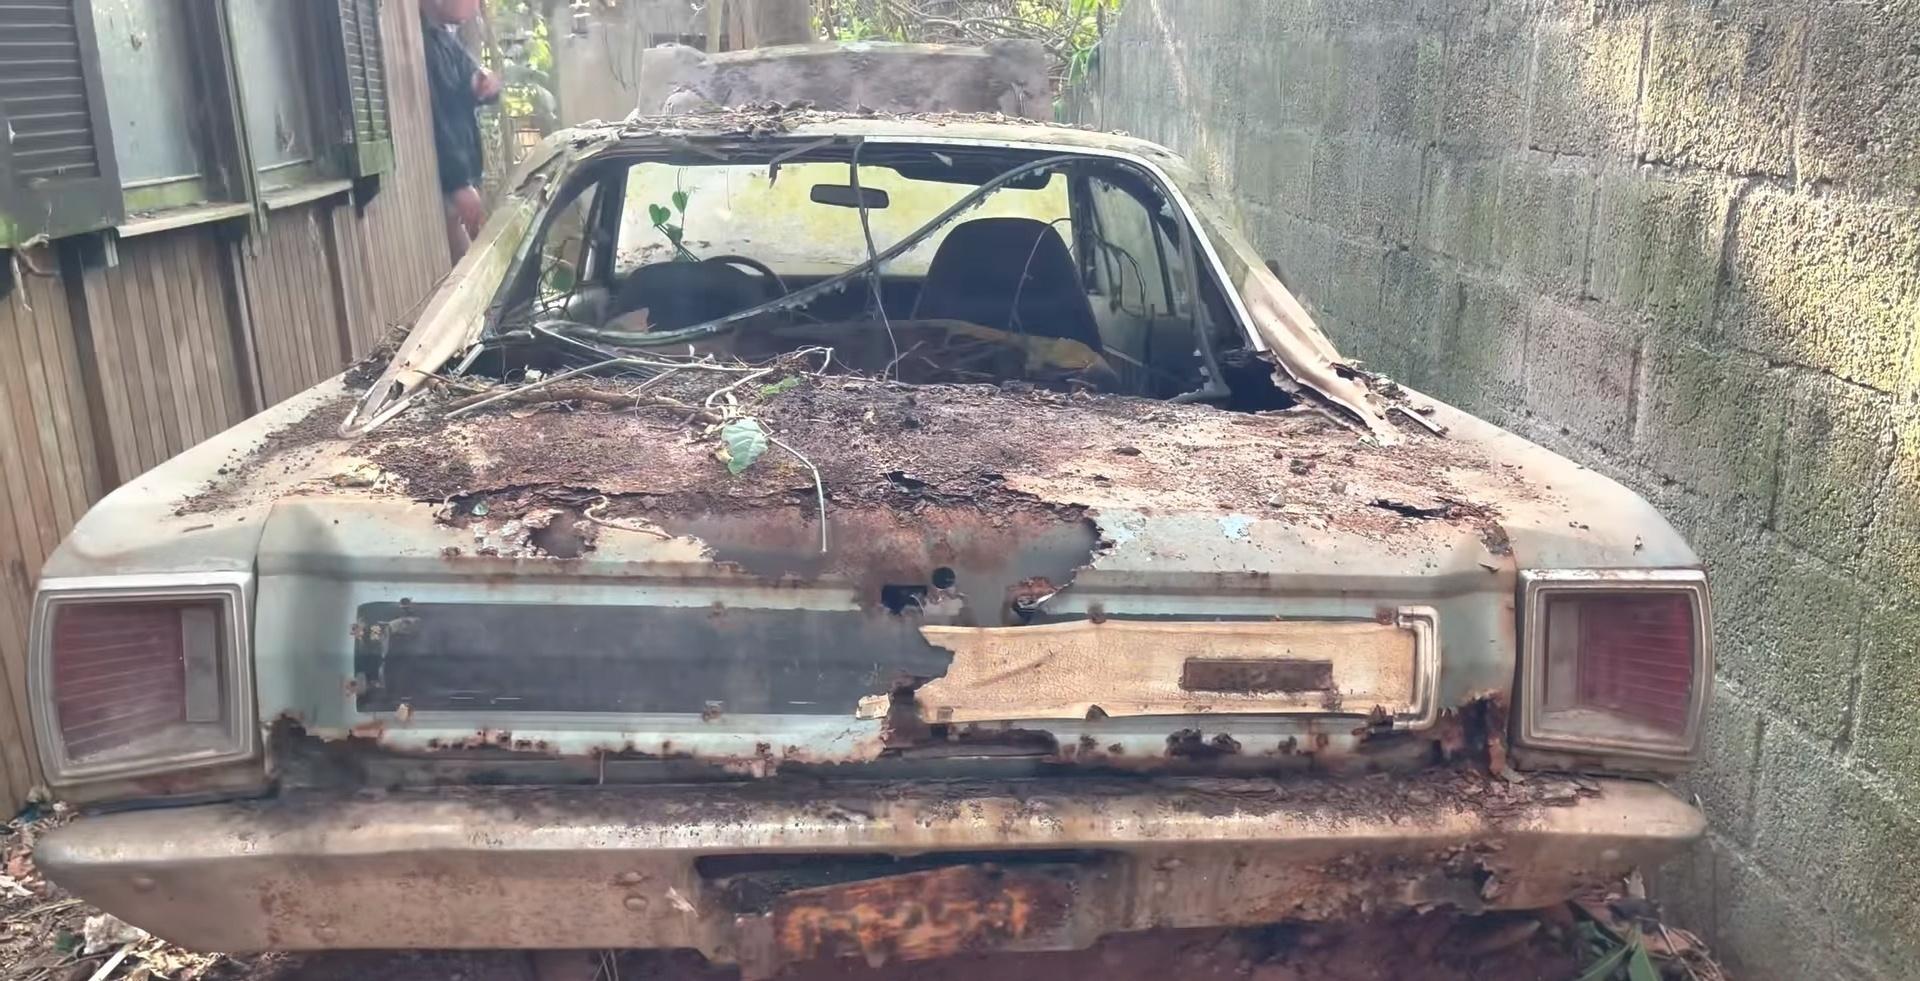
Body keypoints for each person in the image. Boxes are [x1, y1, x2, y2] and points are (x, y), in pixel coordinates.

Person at [422, 0, 502, 260]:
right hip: (444, 186)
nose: (476, 8)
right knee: (470, 276)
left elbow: (473, 76)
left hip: (459, 180)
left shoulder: (444, 38)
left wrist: (485, 83)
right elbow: (438, 120)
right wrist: (459, 185)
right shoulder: (422, 43)